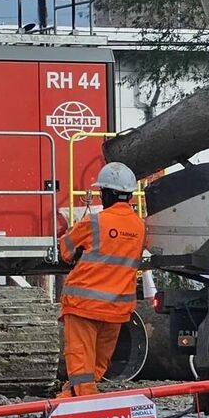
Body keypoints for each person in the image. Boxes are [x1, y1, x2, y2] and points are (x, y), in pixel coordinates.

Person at [57, 161, 147, 397]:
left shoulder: (95, 222)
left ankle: (73, 413)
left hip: (83, 306)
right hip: (116, 310)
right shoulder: (140, 227)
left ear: (105, 193)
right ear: (128, 195)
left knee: (81, 371)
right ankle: (70, 402)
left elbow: (65, 250)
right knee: (94, 371)